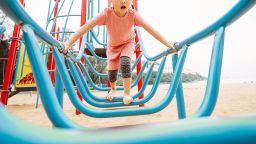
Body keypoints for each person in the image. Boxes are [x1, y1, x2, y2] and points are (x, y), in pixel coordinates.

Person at [62, 0, 177, 105]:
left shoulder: (133, 15)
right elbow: (86, 27)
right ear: (111, 1)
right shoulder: (106, 14)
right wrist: (68, 42)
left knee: (125, 62)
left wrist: (169, 45)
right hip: (112, 47)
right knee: (112, 73)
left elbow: (151, 29)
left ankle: (126, 93)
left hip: (128, 42)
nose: (123, 1)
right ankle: (112, 89)